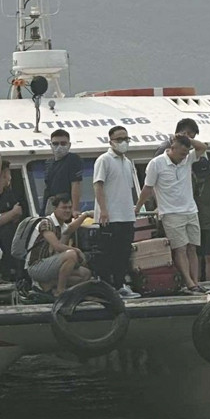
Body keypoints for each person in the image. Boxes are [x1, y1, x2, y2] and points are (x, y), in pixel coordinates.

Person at [136, 134, 208, 293]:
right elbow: (148, 188)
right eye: (181, 153)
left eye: (186, 153)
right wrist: (138, 207)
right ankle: (189, 283)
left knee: (192, 248)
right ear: (172, 148)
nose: (184, 157)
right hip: (170, 212)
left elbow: (202, 147)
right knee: (180, 248)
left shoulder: (187, 159)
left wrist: (187, 139)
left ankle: (196, 282)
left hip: (191, 210)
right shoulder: (156, 163)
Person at [93, 126, 141, 299]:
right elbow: (98, 185)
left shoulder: (127, 162)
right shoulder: (104, 160)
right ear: (111, 141)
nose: (123, 142)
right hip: (110, 217)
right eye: (119, 139)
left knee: (123, 253)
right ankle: (108, 288)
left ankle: (120, 285)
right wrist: (103, 210)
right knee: (108, 254)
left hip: (126, 216)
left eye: (126, 139)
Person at [26, 195, 92, 296]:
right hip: (36, 266)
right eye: (64, 208)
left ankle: (50, 284)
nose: (68, 211)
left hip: (50, 264)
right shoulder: (46, 223)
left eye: (70, 207)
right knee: (71, 254)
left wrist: (85, 215)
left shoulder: (62, 226)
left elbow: (70, 228)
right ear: (55, 209)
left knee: (85, 274)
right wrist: (77, 251)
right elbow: (57, 246)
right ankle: (60, 291)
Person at [42, 129, 83, 219]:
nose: (59, 147)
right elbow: (47, 188)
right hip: (52, 207)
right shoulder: (49, 162)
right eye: (55, 144)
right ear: (51, 145)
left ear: (69, 145)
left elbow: (76, 184)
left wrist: (75, 209)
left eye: (63, 143)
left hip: (66, 207)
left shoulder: (73, 159)